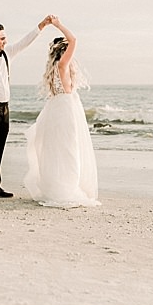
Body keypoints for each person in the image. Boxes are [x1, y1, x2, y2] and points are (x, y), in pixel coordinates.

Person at [0, 16, 53, 202]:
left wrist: (42, 25)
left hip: (5, 108)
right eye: (2, 39)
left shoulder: (7, 53)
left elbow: (25, 42)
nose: (6, 41)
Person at [23, 17, 100, 208]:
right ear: (64, 51)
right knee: (70, 151)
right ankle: (66, 189)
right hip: (66, 111)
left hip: (55, 110)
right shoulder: (63, 65)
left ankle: (57, 187)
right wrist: (57, 25)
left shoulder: (55, 68)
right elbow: (74, 39)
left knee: (57, 151)